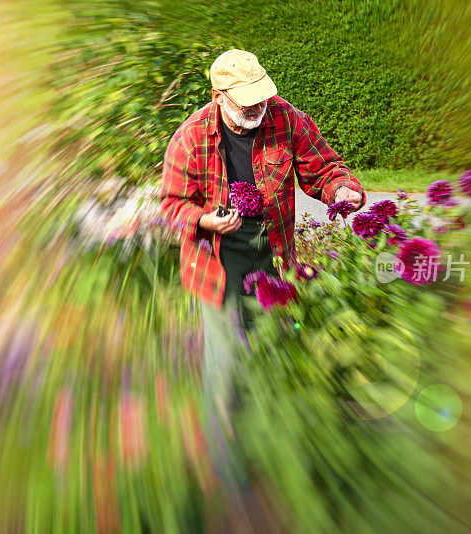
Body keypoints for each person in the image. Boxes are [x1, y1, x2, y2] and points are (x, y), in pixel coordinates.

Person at [157, 48, 367, 497]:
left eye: (261, 98)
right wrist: (205, 220)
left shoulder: (284, 119)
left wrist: (343, 190)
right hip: (216, 257)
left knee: (276, 346)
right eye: (246, 101)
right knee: (228, 359)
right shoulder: (191, 137)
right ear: (218, 95)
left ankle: (276, 440)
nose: (257, 108)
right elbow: (171, 207)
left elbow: (324, 168)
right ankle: (228, 468)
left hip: (273, 249)